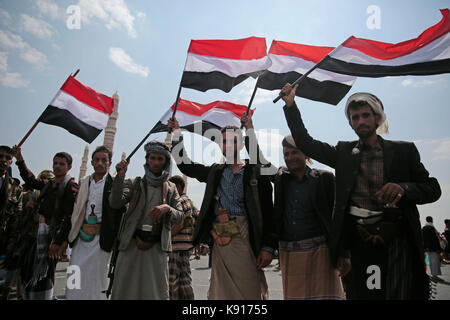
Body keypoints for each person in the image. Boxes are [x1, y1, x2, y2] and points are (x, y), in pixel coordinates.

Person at [280, 84, 441, 300]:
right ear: (350, 122)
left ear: (377, 118)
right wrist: (290, 105)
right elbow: (306, 142)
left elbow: (432, 189)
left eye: (366, 115)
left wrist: (404, 188)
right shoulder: (344, 153)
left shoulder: (404, 151)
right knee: (366, 293)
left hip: (397, 239)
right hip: (359, 240)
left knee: (399, 292)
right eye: (355, 117)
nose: (361, 121)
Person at [168, 115, 276, 300]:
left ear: (241, 145)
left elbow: (268, 212)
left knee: (249, 290)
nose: (227, 145)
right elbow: (186, 166)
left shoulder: (255, 173)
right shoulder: (216, 172)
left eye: (233, 141)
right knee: (221, 292)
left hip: (247, 239)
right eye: (223, 141)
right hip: (221, 240)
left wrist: (268, 247)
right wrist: (177, 133)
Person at [109, 141, 184, 300]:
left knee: (155, 292)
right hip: (131, 244)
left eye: (160, 159)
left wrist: (167, 209)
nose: (156, 162)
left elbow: (181, 215)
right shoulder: (134, 183)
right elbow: (115, 203)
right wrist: (119, 178)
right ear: (147, 159)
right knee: (125, 289)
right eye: (153, 158)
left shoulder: (170, 189)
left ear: (165, 162)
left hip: (156, 247)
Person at [273, 135, 345, 300]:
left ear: (306, 154)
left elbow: (337, 218)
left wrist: (343, 252)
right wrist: (249, 130)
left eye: (294, 152)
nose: (290, 157)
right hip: (291, 252)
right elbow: (260, 161)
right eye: (286, 154)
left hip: (321, 252)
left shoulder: (324, 179)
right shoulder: (281, 178)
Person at [12, 146, 78, 300]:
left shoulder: (70, 186)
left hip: (52, 237)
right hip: (36, 235)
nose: (57, 166)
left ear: (69, 167)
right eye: (55, 163)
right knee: (28, 271)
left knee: (44, 276)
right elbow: (30, 180)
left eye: (62, 164)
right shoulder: (49, 183)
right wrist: (20, 159)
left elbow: (70, 216)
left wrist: (59, 241)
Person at [66, 146, 125, 300]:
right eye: (97, 160)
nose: (100, 163)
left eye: (103, 160)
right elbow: (75, 212)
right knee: (75, 276)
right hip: (81, 237)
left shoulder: (114, 185)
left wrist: (115, 240)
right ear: (91, 162)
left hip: (102, 239)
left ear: (109, 163)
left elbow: (119, 213)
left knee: (97, 281)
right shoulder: (84, 183)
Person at [167, 175, 198, 300]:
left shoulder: (181, 200)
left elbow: (182, 222)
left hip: (177, 247)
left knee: (172, 281)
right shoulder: (189, 200)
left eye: (170, 187)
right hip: (185, 246)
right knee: (183, 281)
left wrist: (167, 237)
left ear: (177, 187)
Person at [0, 146, 23, 300]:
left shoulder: (15, 187)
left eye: (7, 157)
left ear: (11, 161)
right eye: (0, 156)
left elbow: (16, 218)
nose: (3, 160)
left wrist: (11, 247)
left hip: (3, 241)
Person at [422, 216, 443, 282]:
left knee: (431, 261)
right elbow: (435, 239)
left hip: (427, 248)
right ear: (432, 220)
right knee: (435, 262)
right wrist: (438, 249)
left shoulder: (424, 228)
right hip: (433, 248)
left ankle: (433, 275)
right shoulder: (432, 228)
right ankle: (435, 276)